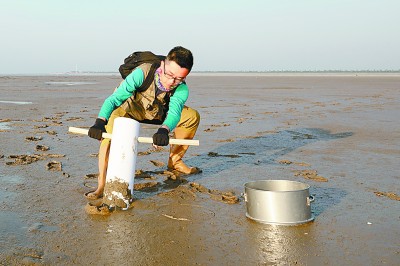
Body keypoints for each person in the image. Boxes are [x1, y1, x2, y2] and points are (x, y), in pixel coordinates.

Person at [86, 46, 200, 199]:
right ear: (163, 64)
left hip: (157, 112)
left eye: (179, 78)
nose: (171, 82)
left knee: (192, 116)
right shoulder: (142, 73)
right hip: (128, 109)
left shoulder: (181, 89)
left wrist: (164, 130)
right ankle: (101, 184)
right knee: (109, 133)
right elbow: (114, 99)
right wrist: (100, 122)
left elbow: (174, 112)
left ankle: (175, 161)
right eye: (170, 75)